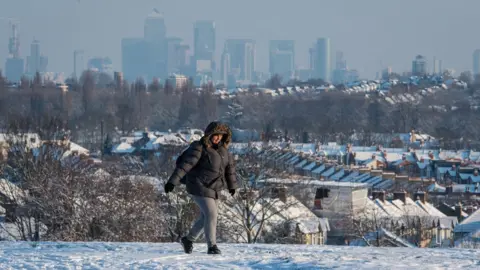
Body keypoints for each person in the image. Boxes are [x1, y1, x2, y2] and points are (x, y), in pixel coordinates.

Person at [164, 121, 237, 255]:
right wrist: (172, 181)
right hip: (198, 185)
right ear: (209, 134)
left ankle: (188, 239)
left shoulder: (224, 151)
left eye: (221, 135)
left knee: (206, 216)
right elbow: (186, 165)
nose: (218, 138)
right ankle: (212, 246)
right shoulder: (199, 147)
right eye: (216, 135)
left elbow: (229, 170)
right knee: (211, 214)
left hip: (214, 188)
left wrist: (232, 186)